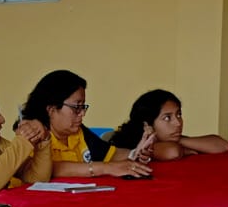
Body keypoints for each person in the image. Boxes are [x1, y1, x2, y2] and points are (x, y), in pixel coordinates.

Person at [20, 69, 152, 179]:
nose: (82, 113)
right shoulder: (32, 132)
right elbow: (48, 169)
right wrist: (106, 168)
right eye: (77, 107)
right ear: (51, 109)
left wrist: (136, 153)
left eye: (83, 107)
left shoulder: (78, 133)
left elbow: (110, 154)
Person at [113, 90, 228, 161]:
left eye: (179, 114)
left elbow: (222, 145)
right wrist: (184, 149)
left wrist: (181, 141)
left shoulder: (172, 139)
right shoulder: (137, 145)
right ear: (147, 125)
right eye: (167, 118)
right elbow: (173, 152)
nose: (178, 123)